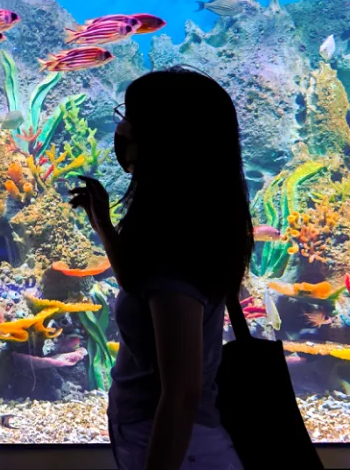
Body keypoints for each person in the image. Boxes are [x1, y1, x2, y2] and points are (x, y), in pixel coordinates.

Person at [70, 66, 251, 470]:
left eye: (130, 116)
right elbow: (141, 285)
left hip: (181, 449)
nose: (121, 128)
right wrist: (104, 226)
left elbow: (182, 393)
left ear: (164, 137)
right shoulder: (186, 227)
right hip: (172, 440)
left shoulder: (177, 246)